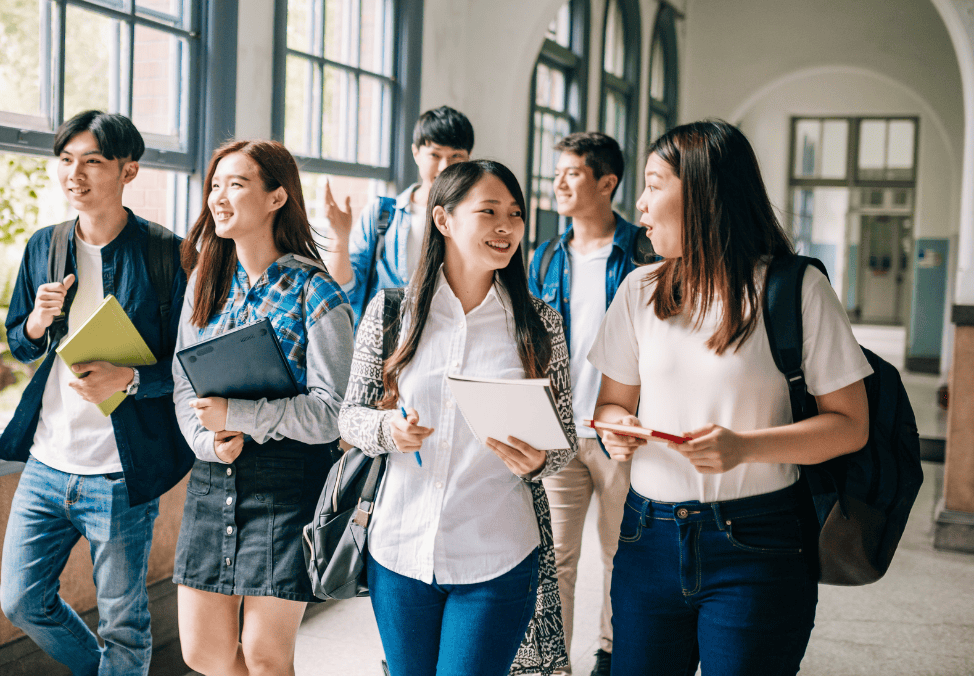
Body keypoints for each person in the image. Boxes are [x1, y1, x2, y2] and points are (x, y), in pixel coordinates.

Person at [590, 120, 872, 675]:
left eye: (653, 184)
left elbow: (849, 425)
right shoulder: (638, 291)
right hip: (648, 537)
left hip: (759, 543)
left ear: (702, 193)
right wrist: (616, 429)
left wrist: (744, 447)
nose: (640, 205)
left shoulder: (796, 290)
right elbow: (611, 405)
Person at [338, 159, 577, 676]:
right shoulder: (391, 312)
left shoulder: (541, 325)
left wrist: (540, 459)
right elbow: (348, 417)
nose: (505, 227)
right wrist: (389, 431)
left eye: (514, 215)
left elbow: (564, 442)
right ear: (443, 221)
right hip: (398, 551)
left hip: (497, 554)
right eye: (488, 211)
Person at [0, 110, 194, 676]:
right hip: (46, 463)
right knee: (22, 600)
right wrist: (35, 322)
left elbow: (192, 366)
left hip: (118, 472)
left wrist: (130, 379)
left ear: (128, 170)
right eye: (65, 160)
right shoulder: (44, 247)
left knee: (124, 625)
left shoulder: (168, 255)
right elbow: (21, 344)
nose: (73, 175)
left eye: (92, 162)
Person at [171, 140, 355, 676]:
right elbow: (184, 383)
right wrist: (209, 439)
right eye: (214, 185)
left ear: (277, 197)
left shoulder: (316, 291)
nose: (218, 197)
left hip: (286, 483)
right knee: (202, 652)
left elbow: (332, 413)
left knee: (266, 656)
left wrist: (241, 416)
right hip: (213, 476)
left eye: (236, 184)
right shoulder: (206, 280)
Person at [525, 132, 653, 676]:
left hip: (623, 431)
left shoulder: (644, 252)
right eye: (557, 171)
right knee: (555, 561)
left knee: (622, 555)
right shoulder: (545, 256)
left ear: (607, 182)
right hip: (558, 430)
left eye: (572, 172)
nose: (558, 182)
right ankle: (558, 662)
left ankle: (607, 652)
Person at [321, 106, 475, 324]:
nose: (444, 166)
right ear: (416, 153)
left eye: (455, 156)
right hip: (385, 346)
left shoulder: (476, 219)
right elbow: (345, 290)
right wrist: (340, 238)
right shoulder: (382, 214)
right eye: (435, 154)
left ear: (469, 159)